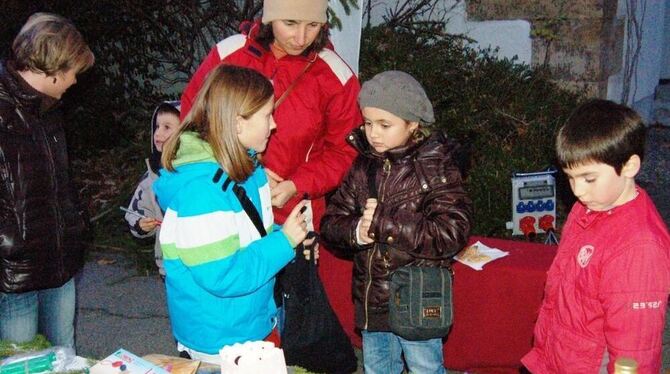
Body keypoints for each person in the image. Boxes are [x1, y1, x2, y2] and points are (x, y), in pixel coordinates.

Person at [179, 0, 362, 340]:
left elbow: (344, 150)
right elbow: (193, 122)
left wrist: (298, 184)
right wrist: (249, 164)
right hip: (227, 201)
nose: (301, 37)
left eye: (313, 26)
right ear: (269, 18)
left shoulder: (335, 74)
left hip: (292, 211)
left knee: (290, 320)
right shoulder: (228, 54)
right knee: (229, 302)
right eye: (290, 23)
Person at [154, 64, 309, 363]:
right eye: (267, 116)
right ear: (238, 124)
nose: (274, 125)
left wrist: (287, 232)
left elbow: (250, 239)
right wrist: (285, 241)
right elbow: (224, 275)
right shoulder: (202, 195)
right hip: (221, 341)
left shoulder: (248, 170)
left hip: (251, 321)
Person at [320, 71, 473, 374]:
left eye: (384, 125)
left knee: (425, 369)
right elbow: (331, 222)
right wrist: (356, 232)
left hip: (417, 297)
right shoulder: (364, 164)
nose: (373, 133)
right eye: (367, 123)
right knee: (377, 368)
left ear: (413, 124)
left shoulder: (436, 165)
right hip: (372, 296)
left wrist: (383, 224)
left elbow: (452, 231)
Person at [521, 99, 670, 373]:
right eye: (570, 177)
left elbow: (635, 352)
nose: (578, 191)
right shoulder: (589, 208)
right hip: (560, 357)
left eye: (589, 179)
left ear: (629, 166)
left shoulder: (639, 248)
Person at [0, 13, 94, 349]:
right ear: (53, 67)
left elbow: (61, 182)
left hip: (59, 261)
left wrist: (77, 225)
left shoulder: (49, 109)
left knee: (63, 354)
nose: (74, 81)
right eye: (72, 72)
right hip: (15, 273)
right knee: (21, 361)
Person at [124, 101, 181, 278]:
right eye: (157, 126)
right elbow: (135, 211)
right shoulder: (151, 178)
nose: (158, 133)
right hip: (169, 267)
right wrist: (141, 224)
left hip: (202, 264)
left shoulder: (200, 174)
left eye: (167, 127)